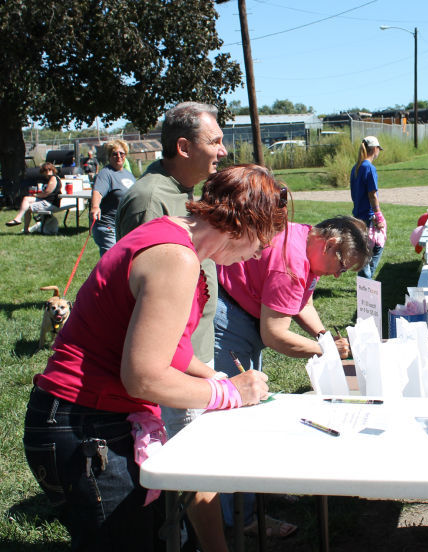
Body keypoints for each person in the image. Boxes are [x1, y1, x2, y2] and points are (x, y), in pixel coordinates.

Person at [23, 164, 287, 552]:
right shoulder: (176, 259)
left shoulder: (176, 241)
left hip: (82, 420)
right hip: (85, 424)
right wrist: (229, 394)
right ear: (243, 226)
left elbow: (171, 350)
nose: (256, 255)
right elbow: (144, 377)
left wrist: (219, 380)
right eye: (260, 243)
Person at [115, 101, 229, 547]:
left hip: (193, 354)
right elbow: (140, 293)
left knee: (202, 467)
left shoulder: (185, 191)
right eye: (215, 141)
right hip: (170, 365)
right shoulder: (149, 199)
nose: (222, 150)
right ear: (183, 146)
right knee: (191, 469)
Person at [213, 215, 371, 533]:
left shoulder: (306, 243)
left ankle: (257, 489)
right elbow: (275, 335)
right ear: (330, 244)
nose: (339, 276)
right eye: (342, 267)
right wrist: (325, 350)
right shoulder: (291, 263)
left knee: (252, 407)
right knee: (232, 418)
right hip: (228, 319)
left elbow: (301, 302)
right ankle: (240, 519)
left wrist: (325, 337)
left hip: (244, 311)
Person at [90, 139, 136, 256]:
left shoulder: (128, 174)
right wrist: (95, 206)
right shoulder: (105, 174)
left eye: (122, 153)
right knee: (112, 261)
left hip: (123, 226)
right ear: (109, 156)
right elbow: (98, 191)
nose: (118, 156)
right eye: (114, 154)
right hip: (108, 226)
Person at [350, 135, 385, 278]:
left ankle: (365, 280)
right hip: (368, 216)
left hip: (357, 214)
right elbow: (372, 195)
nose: (378, 152)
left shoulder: (356, 168)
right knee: (377, 247)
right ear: (375, 149)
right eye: (379, 149)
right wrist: (378, 216)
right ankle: (366, 281)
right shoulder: (369, 168)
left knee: (363, 249)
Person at [6, 162, 62, 232]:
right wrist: (36, 195)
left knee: (27, 208)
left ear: (53, 170)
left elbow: (47, 193)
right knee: (26, 198)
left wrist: (36, 195)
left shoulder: (53, 178)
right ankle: (18, 219)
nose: (47, 172)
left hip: (50, 203)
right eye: (45, 171)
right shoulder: (48, 179)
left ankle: (25, 229)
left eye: (49, 170)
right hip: (46, 201)